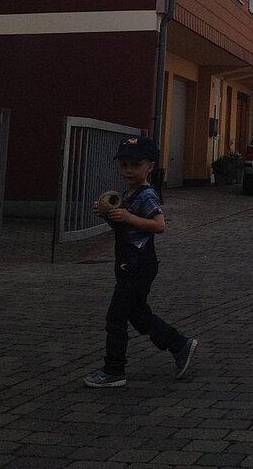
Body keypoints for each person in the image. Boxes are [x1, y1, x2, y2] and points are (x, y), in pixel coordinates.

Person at [82, 136, 197, 388]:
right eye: (124, 165)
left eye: (135, 165)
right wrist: (109, 216)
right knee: (137, 314)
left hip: (138, 264)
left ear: (150, 167)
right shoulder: (128, 194)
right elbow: (125, 228)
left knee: (116, 318)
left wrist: (127, 217)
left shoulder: (147, 195)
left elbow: (159, 225)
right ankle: (179, 344)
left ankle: (114, 369)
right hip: (127, 263)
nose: (128, 170)